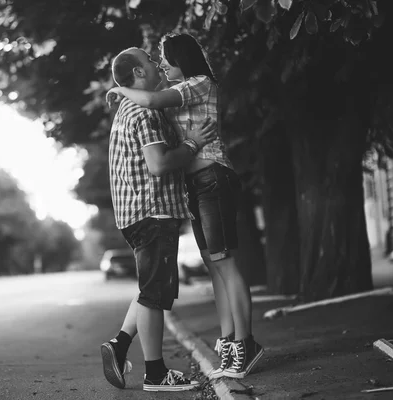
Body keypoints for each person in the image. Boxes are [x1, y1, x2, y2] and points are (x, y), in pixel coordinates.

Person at [106, 33, 264, 380]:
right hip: (196, 187)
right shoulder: (172, 100)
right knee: (214, 267)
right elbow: (152, 111)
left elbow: (149, 97)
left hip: (213, 181)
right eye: (154, 61)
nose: (160, 64)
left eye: (163, 58)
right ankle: (228, 340)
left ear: (182, 60)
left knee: (225, 263)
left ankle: (245, 342)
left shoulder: (199, 83)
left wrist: (120, 90)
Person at [100, 46, 216, 392]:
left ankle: (119, 346)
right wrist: (194, 144)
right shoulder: (144, 111)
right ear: (138, 73)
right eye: (149, 60)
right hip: (152, 212)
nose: (156, 62)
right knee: (154, 296)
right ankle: (155, 373)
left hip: (136, 213)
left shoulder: (127, 107)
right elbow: (159, 164)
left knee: (150, 288)